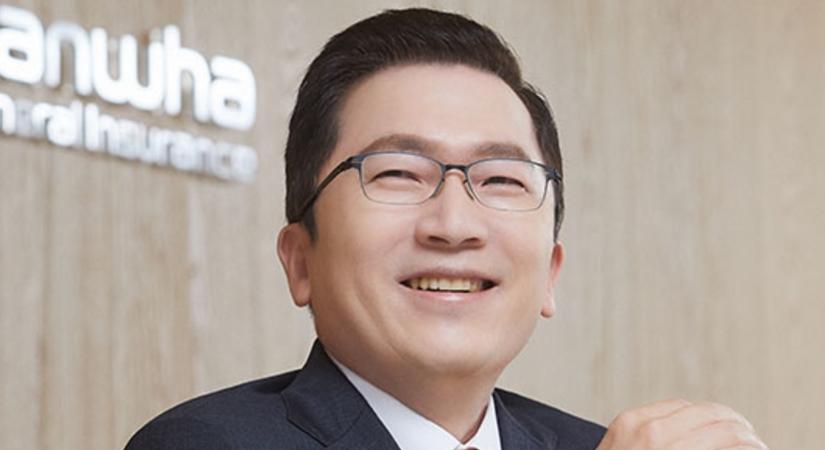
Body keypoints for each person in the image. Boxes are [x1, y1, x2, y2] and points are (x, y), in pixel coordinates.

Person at [126, 8, 768, 450]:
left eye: (502, 179)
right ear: (300, 261)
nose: (454, 224)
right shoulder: (205, 442)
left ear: (550, 273)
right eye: (398, 173)